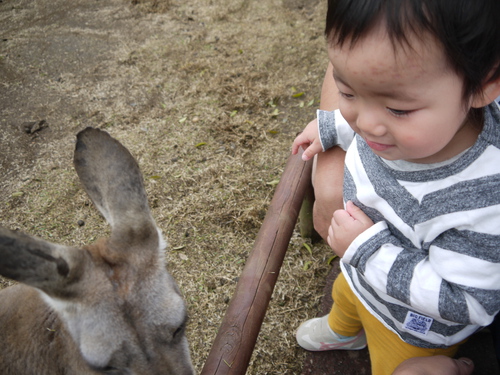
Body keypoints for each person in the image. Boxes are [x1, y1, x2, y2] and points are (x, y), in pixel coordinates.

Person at [291, 0, 500, 374]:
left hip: (412, 328)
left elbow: (469, 303)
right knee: (345, 296)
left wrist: (366, 250)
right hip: (360, 276)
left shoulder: (484, 199)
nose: (367, 124)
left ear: (484, 86)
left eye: (398, 109)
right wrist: (335, 126)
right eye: (348, 92)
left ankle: (456, 367)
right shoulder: (404, 119)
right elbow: (370, 105)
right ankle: (346, 331)